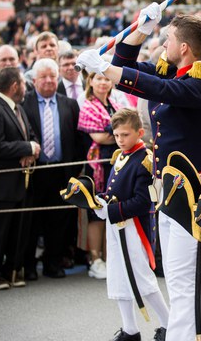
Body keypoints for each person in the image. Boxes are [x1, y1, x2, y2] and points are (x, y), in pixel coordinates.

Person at [77, 4, 201, 341]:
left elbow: (157, 89)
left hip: (197, 195)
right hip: (171, 191)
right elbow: (124, 67)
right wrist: (141, 29)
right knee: (177, 281)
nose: (162, 47)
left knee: (187, 282)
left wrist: (103, 68)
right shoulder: (173, 72)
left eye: (166, 40)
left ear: (184, 48)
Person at [94, 108, 169, 341]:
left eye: (125, 135)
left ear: (140, 132)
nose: (120, 140)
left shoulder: (145, 161)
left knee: (141, 278)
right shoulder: (121, 156)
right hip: (117, 226)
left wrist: (111, 210)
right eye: (116, 135)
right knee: (118, 277)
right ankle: (130, 329)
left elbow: (145, 201)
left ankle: (169, 324)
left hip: (135, 228)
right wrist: (99, 200)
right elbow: (113, 191)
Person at [22, 59, 84, 279]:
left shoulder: (69, 104)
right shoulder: (24, 103)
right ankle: (28, 266)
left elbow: (79, 139)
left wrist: (75, 167)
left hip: (61, 171)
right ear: (34, 80)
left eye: (52, 76)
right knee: (31, 221)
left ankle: (53, 263)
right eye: (44, 77)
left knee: (58, 221)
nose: (49, 81)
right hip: (34, 173)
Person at [0, 68, 41, 289]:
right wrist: (27, 147)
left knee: (18, 229)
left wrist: (31, 149)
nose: (26, 88)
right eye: (24, 84)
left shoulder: (18, 108)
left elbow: (31, 136)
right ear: (15, 85)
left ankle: (12, 269)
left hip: (21, 182)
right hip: (1, 184)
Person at [78, 72, 132, 279]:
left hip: (115, 163)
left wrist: (115, 135)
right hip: (97, 166)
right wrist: (119, 136)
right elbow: (99, 137)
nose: (103, 82)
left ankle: (110, 258)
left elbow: (127, 131)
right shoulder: (87, 106)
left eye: (106, 79)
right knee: (96, 212)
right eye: (98, 78)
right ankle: (95, 259)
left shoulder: (114, 104)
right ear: (90, 81)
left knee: (112, 209)